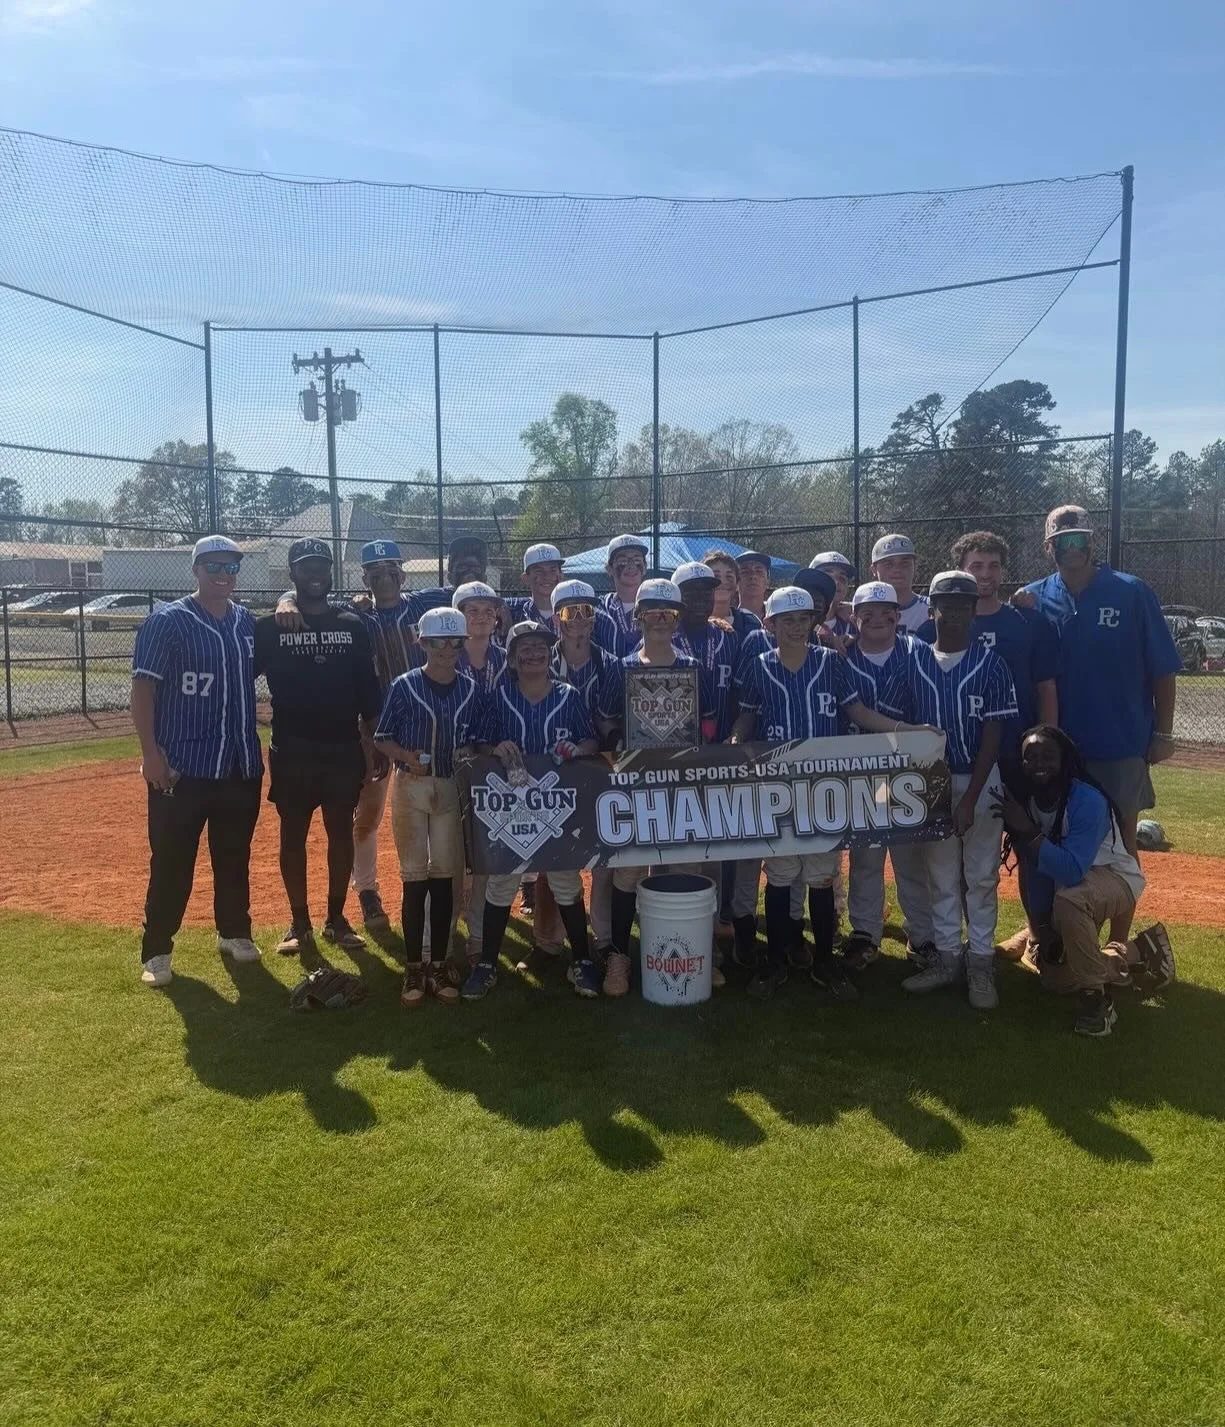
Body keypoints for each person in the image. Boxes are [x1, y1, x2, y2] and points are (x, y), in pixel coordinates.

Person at [731, 585, 922, 1000]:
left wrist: (905, 731)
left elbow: (857, 713)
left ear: (814, 622)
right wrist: (735, 741)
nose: (796, 627)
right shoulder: (759, 665)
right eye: (787, 620)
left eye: (803, 619)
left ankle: (823, 960)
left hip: (823, 786)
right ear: (771, 624)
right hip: (778, 784)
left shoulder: (832, 663)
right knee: (781, 876)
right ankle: (778, 959)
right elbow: (747, 717)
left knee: (820, 875)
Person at [1020, 506, 1180, 899]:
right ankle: (1050, 935)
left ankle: (1119, 944)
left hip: (1119, 740)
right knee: (1053, 838)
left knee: (1123, 845)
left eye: (1080, 539)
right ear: (1048, 547)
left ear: (1093, 541)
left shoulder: (1131, 591)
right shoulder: (1034, 598)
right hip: (1056, 749)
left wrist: (1163, 732)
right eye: (1063, 541)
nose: (1073, 548)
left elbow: (1163, 669)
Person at [917, 530, 1059, 962]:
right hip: (943, 771)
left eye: (993, 565)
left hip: (1014, 758)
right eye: (975, 565)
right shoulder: (921, 642)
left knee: (1021, 850)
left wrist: (1050, 744)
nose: (985, 574)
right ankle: (950, 953)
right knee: (946, 869)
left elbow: (1045, 685)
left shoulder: (1024, 620)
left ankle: (1036, 936)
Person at [130, 535, 264, 987]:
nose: (224, 574)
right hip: (181, 767)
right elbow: (143, 689)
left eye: (231, 567)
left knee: (233, 856)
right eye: (214, 566)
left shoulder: (247, 621)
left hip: (238, 764)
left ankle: (234, 932)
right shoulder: (167, 621)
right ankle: (157, 950)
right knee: (171, 860)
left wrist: (286, 600)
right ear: (196, 569)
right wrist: (150, 753)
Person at [994, 725, 1174, 1037]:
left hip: (1115, 878)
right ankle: (1139, 950)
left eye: (1048, 756)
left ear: (1065, 760)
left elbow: (1072, 871)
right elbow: (1035, 870)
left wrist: (1027, 829)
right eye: (1031, 757)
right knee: (1056, 980)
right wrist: (1042, 928)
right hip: (1072, 887)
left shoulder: (1086, 798)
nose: (1039, 763)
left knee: (1070, 899)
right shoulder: (1029, 800)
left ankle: (1097, 1003)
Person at [274, 538, 414, 934]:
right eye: (376, 573)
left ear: (402, 573)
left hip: (426, 726)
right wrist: (286, 599)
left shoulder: (424, 604)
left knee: (433, 814)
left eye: (392, 570)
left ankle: (437, 891)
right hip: (374, 729)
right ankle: (367, 893)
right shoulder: (354, 614)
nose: (385, 579)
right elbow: (306, 596)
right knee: (365, 818)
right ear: (364, 578)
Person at [893, 570, 1018, 1010]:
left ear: (974, 610)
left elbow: (993, 735)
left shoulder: (991, 663)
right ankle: (948, 960)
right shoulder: (913, 659)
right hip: (930, 780)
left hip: (979, 779)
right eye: (947, 604)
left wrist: (969, 798)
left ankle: (980, 964)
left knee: (981, 877)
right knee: (941, 877)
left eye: (965, 604)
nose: (956, 612)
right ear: (933, 609)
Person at [254, 538, 383, 958]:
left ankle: (336, 918)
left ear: (331, 573)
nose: (315, 574)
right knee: (292, 833)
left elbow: (368, 690)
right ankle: (299, 922)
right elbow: (240, 678)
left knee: (339, 832)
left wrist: (376, 741)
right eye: (306, 567)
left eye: (322, 567)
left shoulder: (351, 624)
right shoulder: (271, 627)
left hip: (341, 746)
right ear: (291, 573)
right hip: (292, 748)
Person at [461, 622, 600, 1001]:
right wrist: (495, 748)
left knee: (565, 880)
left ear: (550, 652)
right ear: (511, 656)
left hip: (557, 805)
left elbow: (590, 738)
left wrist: (578, 749)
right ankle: (488, 963)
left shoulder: (569, 695)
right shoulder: (498, 696)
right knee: (504, 880)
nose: (533, 653)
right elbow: (478, 745)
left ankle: (582, 961)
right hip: (512, 805)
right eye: (524, 648)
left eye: (541, 646)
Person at [596, 578, 717, 997]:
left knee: (686, 867)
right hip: (636, 785)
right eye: (653, 612)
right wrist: (621, 746)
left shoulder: (694, 667)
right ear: (639, 617)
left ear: (678, 618)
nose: (661, 619)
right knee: (627, 872)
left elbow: (710, 721)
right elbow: (606, 718)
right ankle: (619, 958)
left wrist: (697, 746)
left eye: (668, 612)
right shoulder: (622, 667)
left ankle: (696, 952)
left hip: (683, 787)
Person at [374, 606, 487, 1009]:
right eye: (437, 642)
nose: (446, 650)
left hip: (449, 786)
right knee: (413, 878)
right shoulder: (404, 686)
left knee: (444, 879)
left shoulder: (471, 689)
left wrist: (474, 754)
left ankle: (439, 964)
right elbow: (381, 736)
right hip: (412, 786)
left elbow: (478, 738)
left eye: (453, 641)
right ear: (421, 642)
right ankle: (413, 966)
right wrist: (405, 754)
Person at [839, 581, 914, 969]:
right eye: (867, 612)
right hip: (861, 771)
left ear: (898, 616)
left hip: (908, 769)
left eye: (886, 611)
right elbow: (853, 713)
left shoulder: (917, 653)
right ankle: (865, 933)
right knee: (866, 858)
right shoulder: (842, 657)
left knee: (909, 856)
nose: (877, 619)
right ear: (855, 618)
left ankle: (922, 936)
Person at [550, 579, 617, 957]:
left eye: (586, 611)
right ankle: (550, 940)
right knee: (555, 858)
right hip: (555, 770)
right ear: (557, 619)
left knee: (606, 858)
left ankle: (604, 939)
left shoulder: (610, 663)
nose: (578, 619)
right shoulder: (542, 660)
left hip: (599, 769)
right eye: (569, 611)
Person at [671, 560, 740, 740]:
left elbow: (738, 695)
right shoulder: (663, 640)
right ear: (676, 597)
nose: (700, 598)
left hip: (723, 747)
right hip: (676, 748)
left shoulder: (729, 637)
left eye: (707, 591)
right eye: (691, 592)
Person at [404, 535, 491, 623]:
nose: (469, 575)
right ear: (450, 576)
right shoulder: (430, 601)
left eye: (476, 568)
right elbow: (399, 604)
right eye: (462, 568)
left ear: (485, 577)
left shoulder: (494, 605)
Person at [596, 533, 649, 656]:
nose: (631, 566)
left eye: (637, 560)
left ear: (645, 567)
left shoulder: (657, 606)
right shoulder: (599, 609)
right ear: (609, 568)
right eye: (623, 560)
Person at [870, 533, 929, 633]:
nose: (897, 569)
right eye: (888, 564)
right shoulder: (861, 612)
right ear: (874, 570)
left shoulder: (932, 610)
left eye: (905, 563)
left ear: (915, 566)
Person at [704, 550, 763, 641]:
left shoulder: (750, 622)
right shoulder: (694, 622)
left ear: (737, 584)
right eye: (716, 576)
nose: (723, 582)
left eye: (729, 576)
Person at [505, 542, 564, 633]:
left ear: (560, 576)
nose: (547, 576)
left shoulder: (574, 613)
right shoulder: (515, 609)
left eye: (552, 570)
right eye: (539, 571)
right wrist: (497, 607)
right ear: (525, 579)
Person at [808, 551, 857, 643]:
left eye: (842, 578)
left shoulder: (854, 624)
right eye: (827, 577)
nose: (836, 582)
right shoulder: (790, 618)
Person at [735, 550, 771, 623]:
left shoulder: (778, 617)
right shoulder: (729, 618)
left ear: (768, 581)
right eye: (745, 572)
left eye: (759, 571)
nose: (753, 576)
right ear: (736, 581)